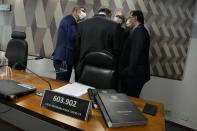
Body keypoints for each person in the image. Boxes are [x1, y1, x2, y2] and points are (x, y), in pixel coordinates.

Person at [75, 8, 122, 81]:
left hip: (82, 68)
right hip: (104, 73)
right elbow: (117, 50)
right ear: (109, 15)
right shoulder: (115, 25)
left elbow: (76, 47)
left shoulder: (81, 24)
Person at [119, 10, 150, 97]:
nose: (129, 20)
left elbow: (135, 53)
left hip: (134, 74)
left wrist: (129, 72)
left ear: (135, 17)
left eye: (130, 17)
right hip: (134, 73)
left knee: (130, 100)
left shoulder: (139, 31)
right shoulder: (138, 30)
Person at [53, 6, 86, 82]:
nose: (84, 13)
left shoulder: (71, 21)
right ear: (75, 11)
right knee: (61, 83)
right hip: (64, 59)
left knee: (64, 82)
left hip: (65, 58)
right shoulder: (70, 20)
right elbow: (72, 36)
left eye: (85, 12)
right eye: (82, 11)